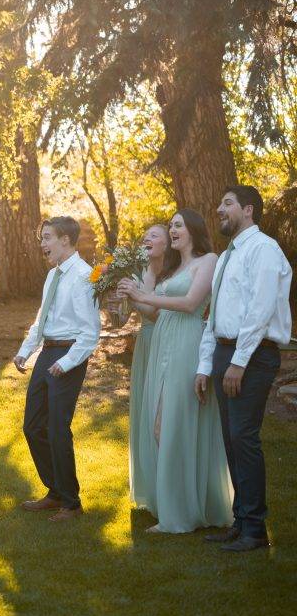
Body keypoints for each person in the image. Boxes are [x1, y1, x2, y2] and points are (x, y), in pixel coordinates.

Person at [119, 210, 232, 533]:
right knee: (159, 424)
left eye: (178, 225)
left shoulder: (208, 260)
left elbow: (191, 303)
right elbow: (154, 313)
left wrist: (146, 295)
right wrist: (132, 294)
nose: (173, 230)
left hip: (187, 343)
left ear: (194, 230)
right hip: (163, 344)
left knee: (171, 424)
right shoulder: (173, 268)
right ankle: (175, 505)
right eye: (171, 226)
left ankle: (178, 516)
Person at [196, 186, 292, 552]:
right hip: (224, 352)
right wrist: (206, 365)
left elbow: (260, 311)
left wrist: (238, 361)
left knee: (244, 438)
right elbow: (214, 318)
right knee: (230, 440)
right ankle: (241, 521)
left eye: (227, 203)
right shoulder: (225, 258)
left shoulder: (264, 250)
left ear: (248, 210)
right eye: (220, 202)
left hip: (252, 356)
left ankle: (255, 530)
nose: (219, 209)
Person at [13, 217, 100, 522]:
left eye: (47, 238)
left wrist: (65, 363)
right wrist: (25, 352)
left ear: (65, 239)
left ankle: (71, 503)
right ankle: (55, 491)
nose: (42, 244)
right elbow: (41, 319)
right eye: (42, 238)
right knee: (33, 426)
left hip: (68, 356)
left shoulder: (83, 276)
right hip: (47, 352)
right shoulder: (53, 276)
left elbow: (90, 333)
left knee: (57, 429)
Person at [107, 224, 169, 511]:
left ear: (169, 243)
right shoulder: (136, 272)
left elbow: (159, 315)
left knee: (163, 415)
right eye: (145, 235)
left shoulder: (177, 273)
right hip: (145, 345)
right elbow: (118, 322)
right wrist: (115, 303)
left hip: (168, 343)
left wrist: (136, 295)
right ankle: (152, 491)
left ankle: (170, 487)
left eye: (154, 235)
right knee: (145, 413)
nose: (147, 238)